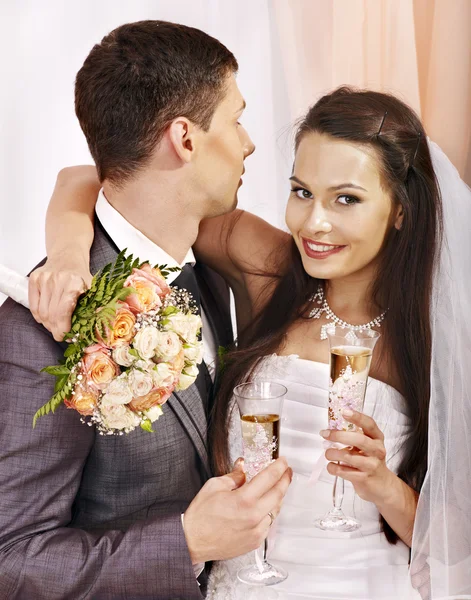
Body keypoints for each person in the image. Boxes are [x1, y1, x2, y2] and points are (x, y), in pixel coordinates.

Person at [32, 84, 471, 600]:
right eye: (302, 191)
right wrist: (65, 255)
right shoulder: (270, 268)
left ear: (400, 210)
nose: (314, 223)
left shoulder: (428, 335)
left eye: (346, 199)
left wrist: (382, 484)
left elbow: (454, 541)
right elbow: (97, 181)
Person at [0, 21, 293, 600]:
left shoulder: (210, 256)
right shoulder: (42, 327)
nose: (249, 141)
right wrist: (185, 542)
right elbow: (11, 558)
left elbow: (79, 179)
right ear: (185, 138)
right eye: (235, 119)